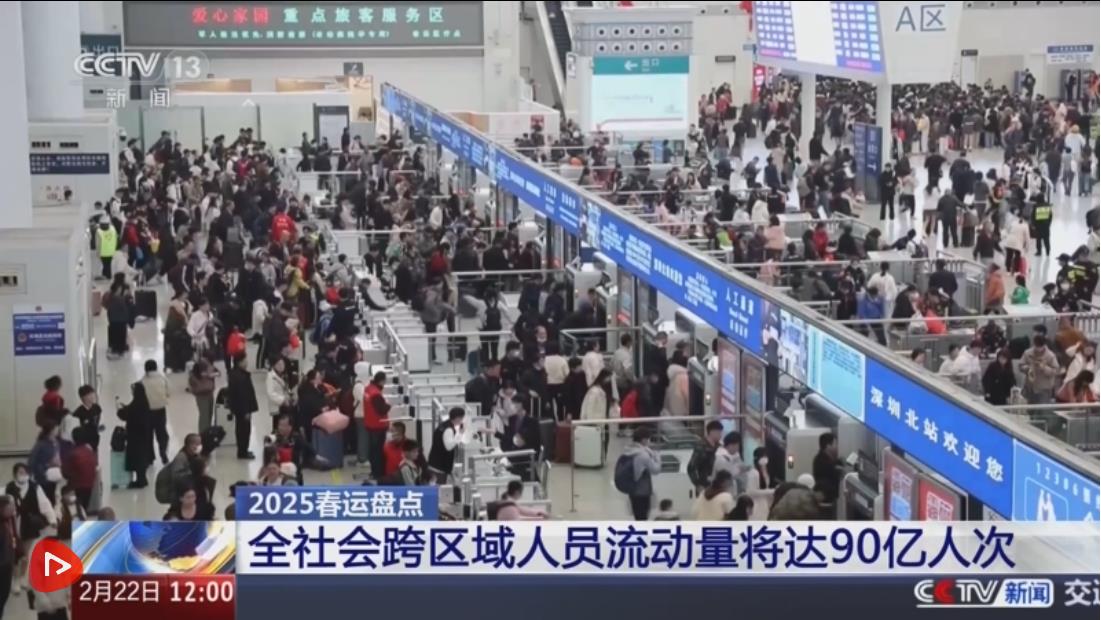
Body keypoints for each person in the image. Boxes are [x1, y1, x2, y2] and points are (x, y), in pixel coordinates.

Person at [618, 427, 661, 521]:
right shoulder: (643, 455)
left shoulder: (628, 450)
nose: (649, 441)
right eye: (648, 439)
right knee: (642, 517)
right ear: (644, 440)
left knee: (637, 516)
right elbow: (656, 470)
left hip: (632, 489)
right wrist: (658, 457)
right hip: (642, 491)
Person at [227, 352, 258, 459]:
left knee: (241, 429)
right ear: (239, 362)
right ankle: (243, 451)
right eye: (245, 360)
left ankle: (243, 450)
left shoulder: (235, 374)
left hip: (239, 408)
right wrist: (246, 411)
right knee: (244, 430)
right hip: (243, 409)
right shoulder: (240, 377)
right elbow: (242, 395)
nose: (247, 362)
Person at [362, 371, 392, 479]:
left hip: (370, 424)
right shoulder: (376, 394)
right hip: (378, 426)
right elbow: (381, 409)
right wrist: (389, 405)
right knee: (378, 451)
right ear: (381, 381)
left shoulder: (368, 389)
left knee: (372, 450)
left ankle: (374, 471)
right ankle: (378, 473)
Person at [427, 407, 470, 483]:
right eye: (462, 418)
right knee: (439, 488)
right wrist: (460, 434)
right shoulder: (448, 429)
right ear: (457, 418)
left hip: (434, 463)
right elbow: (449, 447)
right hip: (439, 467)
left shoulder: (443, 425)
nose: (462, 421)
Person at [140, 360, 171, 464]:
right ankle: (163, 453)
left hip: (147, 412)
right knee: (162, 434)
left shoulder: (142, 382)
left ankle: (150, 458)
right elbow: (169, 393)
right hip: (161, 411)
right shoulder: (163, 379)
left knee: (148, 435)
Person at [61, 427, 98, 512]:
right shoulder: (90, 452)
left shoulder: (73, 454)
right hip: (89, 486)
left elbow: (65, 473)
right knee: (83, 508)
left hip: (76, 487)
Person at [1020, 335, 1060, 405]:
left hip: (1044, 389)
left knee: (1042, 409)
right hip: (1030, 387)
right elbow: (1021, 365)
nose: (1038, 349)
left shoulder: (1050, 355)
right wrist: (1028, 368)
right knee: (1030, 409)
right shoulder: (1027, 353)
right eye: (1036, 346)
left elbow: (1055, 370)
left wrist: (1044, 368)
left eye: (1040, 347)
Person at [687, 420, 723, 493]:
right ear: (712, 432)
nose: (720, 435)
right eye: (719, 432)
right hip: (704, 485)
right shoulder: (701, 447)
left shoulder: (719, 447)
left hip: (717, 484)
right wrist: (698, 485)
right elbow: (691, 467)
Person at [711, 431, 750, 495]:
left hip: (736, 492)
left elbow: (742, 473)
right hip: (721, 493)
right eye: (736, 445)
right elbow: (728, 475)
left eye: (738, 446)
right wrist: (740, 470)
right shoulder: (721, 458)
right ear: (729, 445)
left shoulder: (736, 457)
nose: (737, 448)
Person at [812, 432, 843, 505]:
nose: (837, 447)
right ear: (828, 446)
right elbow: (834, 475)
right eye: (835, 444)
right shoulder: (822, 462)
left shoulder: (824, 458)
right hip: (828, 499)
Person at [71, 385, 103, 452]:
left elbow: (98, 423)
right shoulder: (78, 413)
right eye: (89, 394)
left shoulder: (97, 408)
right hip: (84, 444)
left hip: (95, 441)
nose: (93, 396)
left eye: (93, 393)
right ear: (83, 397)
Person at [265, 357, 293, 432]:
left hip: (284, 405)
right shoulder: (270, 376)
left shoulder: (283, 375)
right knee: (277, 426)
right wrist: (283, 400)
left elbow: (285, 388)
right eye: (279, 364)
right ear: (274, 365)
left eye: (282, 364)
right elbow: (270, 393)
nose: (281, 366)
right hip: (277, 406)